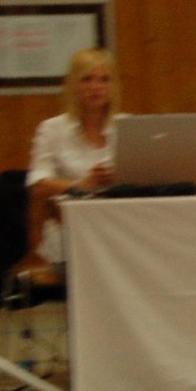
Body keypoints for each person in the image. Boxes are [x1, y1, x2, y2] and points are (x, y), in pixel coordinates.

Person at [26, 47, 122, 266]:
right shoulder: (52, 129)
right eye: (87, 79)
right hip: (70, 233)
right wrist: (82, 185)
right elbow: (38, 185)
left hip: (120, 228)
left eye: (104, 80)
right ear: (73, 86)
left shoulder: (127, 127)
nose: (96, 87)